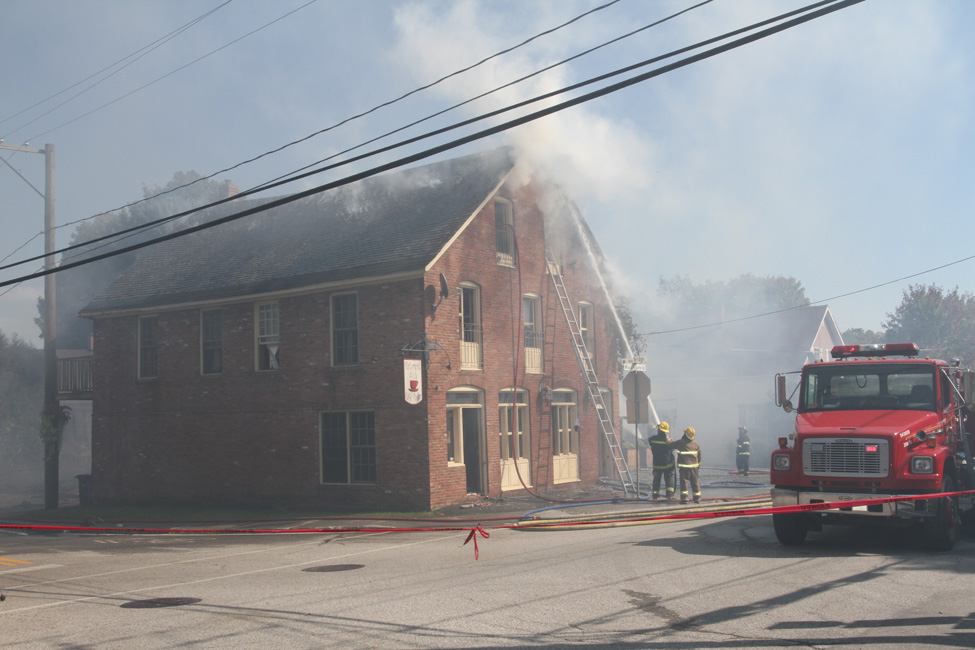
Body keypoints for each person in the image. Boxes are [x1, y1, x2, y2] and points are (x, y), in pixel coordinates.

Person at [670, 426, 702, 504]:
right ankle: (697, 498)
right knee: (695, 482)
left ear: (685, 434)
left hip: (684, 467)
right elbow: (699, 456)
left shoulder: (680, 443)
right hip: (694, 467)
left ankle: (684, 498)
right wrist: (698, 466)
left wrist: (668, 439)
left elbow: (671, 445)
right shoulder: (696, 444)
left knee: (684, 482)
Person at [647, 421, 675, 500]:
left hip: (657, 464)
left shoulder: (652, 439)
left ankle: (655, 495)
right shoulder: (668, 440)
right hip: (667, 464)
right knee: (669, 478)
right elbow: (672, 448)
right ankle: (669, 495)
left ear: (659, 430)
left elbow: (649, 440)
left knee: (656, 479)